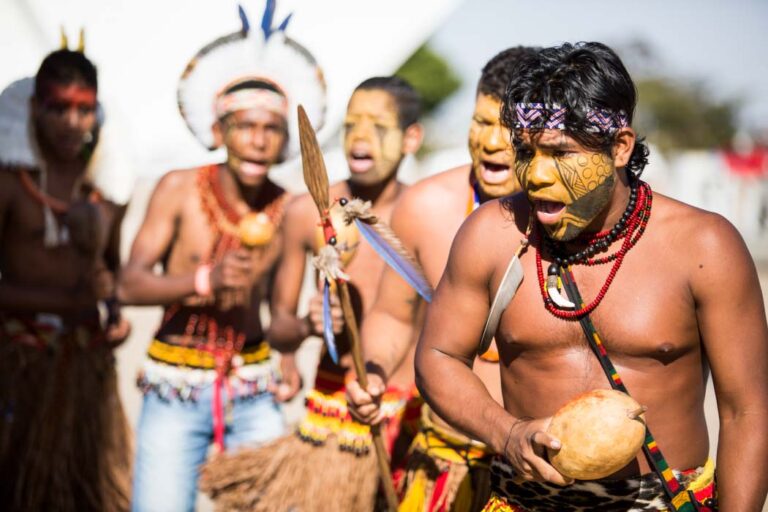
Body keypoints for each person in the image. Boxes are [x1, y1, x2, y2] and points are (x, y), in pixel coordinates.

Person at [415, 41, 768, 511]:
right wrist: (508, 432)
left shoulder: (704, 247)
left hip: (661, 500)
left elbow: (748, 410)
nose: (536, 174)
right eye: (527, 151)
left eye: (560, 153)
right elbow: (438, 354)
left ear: (620, 147)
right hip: (524, 500)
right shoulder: (493, 235)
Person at [117, 5, 326, 510]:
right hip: (174, 387)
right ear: (218, 131)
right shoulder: (179, 189)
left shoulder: (288, 208)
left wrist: (305, 329)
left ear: (284, 143)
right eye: (245, 125)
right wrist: (203, 280)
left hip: (254, 386)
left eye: (272, 129)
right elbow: (128, 285)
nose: (258, 139)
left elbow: (278, 320)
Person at [199, 75, 424, 512]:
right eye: (351, 125)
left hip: (411, 419)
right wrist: (309, 324)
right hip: (332, 420)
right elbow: (278, 330)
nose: (360, 138)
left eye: (378, 127)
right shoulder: (307, 212)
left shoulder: (430, 212)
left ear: (411, 137)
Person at [346, 47, 537, 511]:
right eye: (480, 122)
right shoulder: (427, 206)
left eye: (508, 128)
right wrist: (370, 372)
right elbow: (392, 316)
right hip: (443, 457)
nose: (491, 142)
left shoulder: (567, 220)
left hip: (539, 476)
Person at [0, 41, 132, 512]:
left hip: (85, 366)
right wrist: (60, 305)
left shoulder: (108, 186)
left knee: (87, 492)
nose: (72, 124)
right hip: (18, 362)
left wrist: (115, 312)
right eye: (58, 108)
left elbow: (111, 274)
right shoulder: (10, 183)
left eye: (84, 110)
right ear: (35, 108)